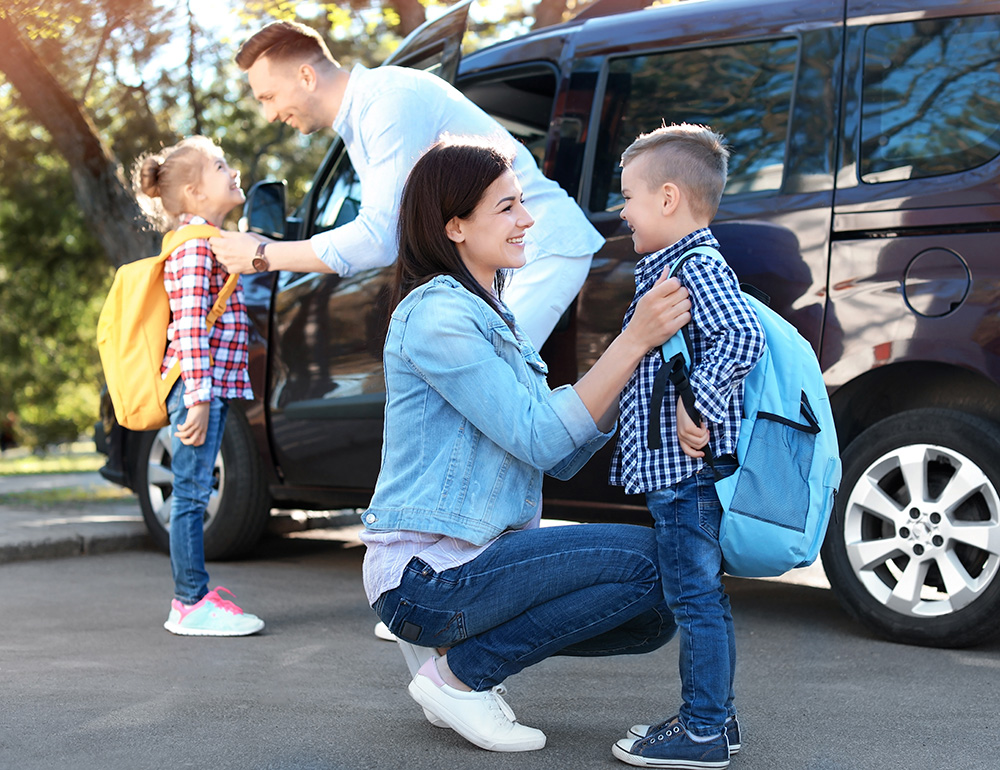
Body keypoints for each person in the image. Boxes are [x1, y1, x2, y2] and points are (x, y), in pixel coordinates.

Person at [362, 136, 692, 754]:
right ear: (454, 225)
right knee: (655, 562)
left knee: (655, 615)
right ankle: (461, 677)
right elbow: (544, 438)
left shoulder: (491, 316)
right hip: (428, 576)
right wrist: (632, 338)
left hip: (474, 561)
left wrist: (649, 371)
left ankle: (455, 664)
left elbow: (560, 451)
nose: (527, 219)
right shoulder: (438, 316)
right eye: (507, 207)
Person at [207, 20, 604, 351]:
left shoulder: (388, 104)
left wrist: (263, 254)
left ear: (306, 76)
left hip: (538, 250)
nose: (270, 113)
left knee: (489, 401)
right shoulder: (363, 117)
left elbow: (379, 237)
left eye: (269, 96)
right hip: (503, 262)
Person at [607, 124, 765, 768]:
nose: (622, 211)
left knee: (695, 600)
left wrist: (696, 401)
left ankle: (700, 732)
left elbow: (741, 336)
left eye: (629, 197)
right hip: (682, 474)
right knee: (703, 598)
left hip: (687, 475)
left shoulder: (695, 265)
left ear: (668, 198)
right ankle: (715, 723)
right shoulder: (676, 266)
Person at [134, 136, 264, 637]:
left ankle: (194, 597)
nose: (232, 170)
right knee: (190, 494)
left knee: (192, 489)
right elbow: (189, 325)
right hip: (195, 387)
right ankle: (189, 603)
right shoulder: (192, 248)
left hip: (203, 385)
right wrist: (201, 397)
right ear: (193, 191)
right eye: (219, 165)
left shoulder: (210, 239)